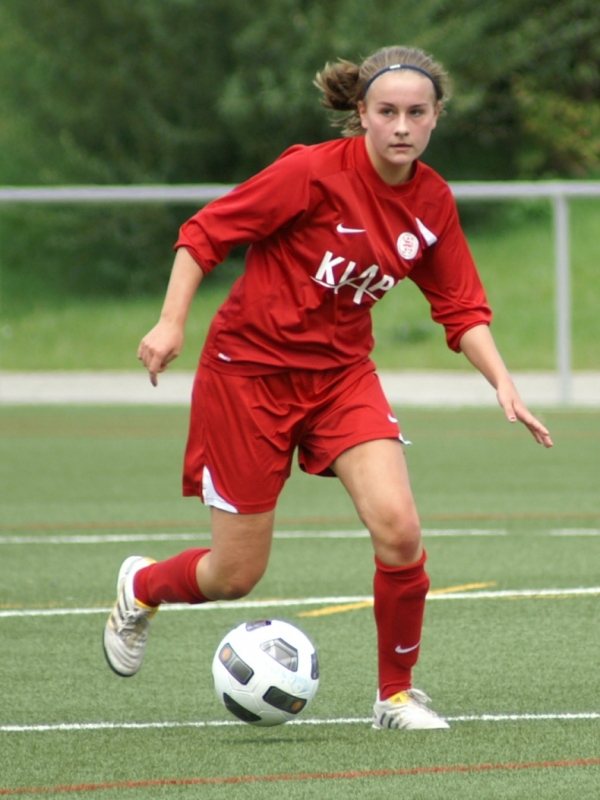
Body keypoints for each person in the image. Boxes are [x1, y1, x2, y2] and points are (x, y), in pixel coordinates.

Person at [103, 45, 553, 730]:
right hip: (248, 375)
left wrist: (503, 382)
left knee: (399, 528)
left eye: (417, 113)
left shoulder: (432, 201)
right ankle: (141, 586)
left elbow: (461, 307)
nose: (401, 126)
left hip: (342, 379)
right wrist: (170, 323)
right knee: (234, 575)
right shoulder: (311, 173)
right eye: (387, 111)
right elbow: (204, 233)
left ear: (436, 117)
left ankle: (395, 697)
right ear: (362, 114)